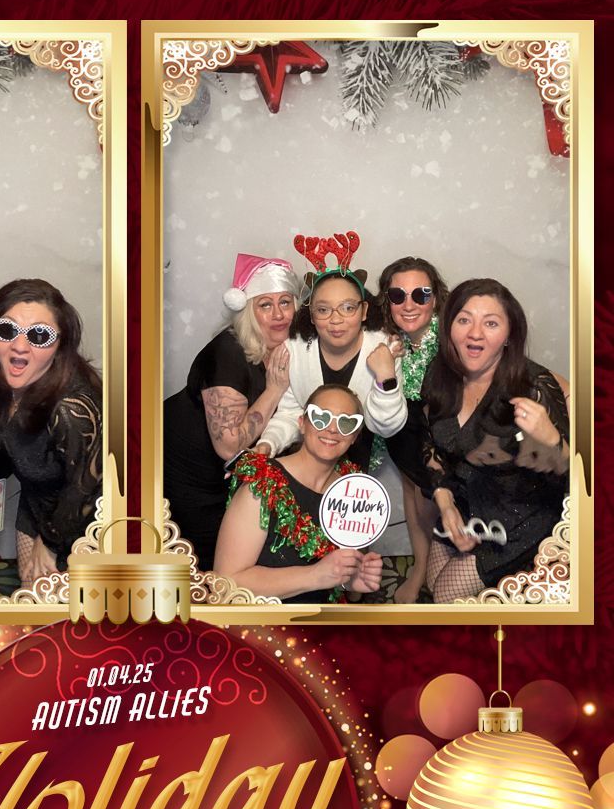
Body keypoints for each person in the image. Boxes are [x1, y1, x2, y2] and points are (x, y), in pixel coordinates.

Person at [420, 279, 570, 603]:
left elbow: (583, 483)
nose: (475, 333)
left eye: (490, 323)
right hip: (465, 501)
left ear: (508, 337)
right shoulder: (439, 375)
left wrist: (552, 441)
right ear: (449, 329)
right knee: (433, 585)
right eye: (464, 320)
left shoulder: (535, 387)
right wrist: (445, 503)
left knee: (446, 594)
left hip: (521, 518)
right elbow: (431, 447)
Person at [161, 254, 297, 569]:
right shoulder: (228, 352)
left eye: (285, 303)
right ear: (248, 310)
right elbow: (229, 445)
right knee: (206, 565)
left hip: (232, 479)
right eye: (265, 305)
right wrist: (274, 389)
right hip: (187, 473)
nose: (278, 315)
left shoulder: (287, 347)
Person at [0, 279, 103, 585]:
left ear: (61, 345)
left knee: (71, 627)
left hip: (82, 521)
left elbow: (87, 490)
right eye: (7, 330)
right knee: (32, 607)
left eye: (39, 335)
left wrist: (51, 543)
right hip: (35, 506)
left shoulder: (71, 409)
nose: (19, 346)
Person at [215, 384, 385, 604]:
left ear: (354, 436)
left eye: (346, 423)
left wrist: (351, 581)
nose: (332, 429)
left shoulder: (355, 495)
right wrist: (315, 576)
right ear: (302, 423)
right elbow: (225, 583)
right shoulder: (263, 483)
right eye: (321, 418)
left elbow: (347, 586)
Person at [256, 240, 403, 461]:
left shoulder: (384, 350)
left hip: (357, 465)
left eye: (347, 308)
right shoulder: (294, 350)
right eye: (323, 310)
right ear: (312, 315)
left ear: (363, 311)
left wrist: (385, 378)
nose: (335, 319)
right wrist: (268, 443)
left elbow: (385, 427)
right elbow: (291, 414)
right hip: (308, 460)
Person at [374, 257, 448, 602]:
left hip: (442, 433)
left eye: (421, 294)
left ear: (436, 298)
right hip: (403, 429)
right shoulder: (389, 345)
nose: (408, 304)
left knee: (431, 503)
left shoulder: (453, 340)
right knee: (410, 494)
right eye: (397, 295)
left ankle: (440, 564)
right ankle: (420, 567)